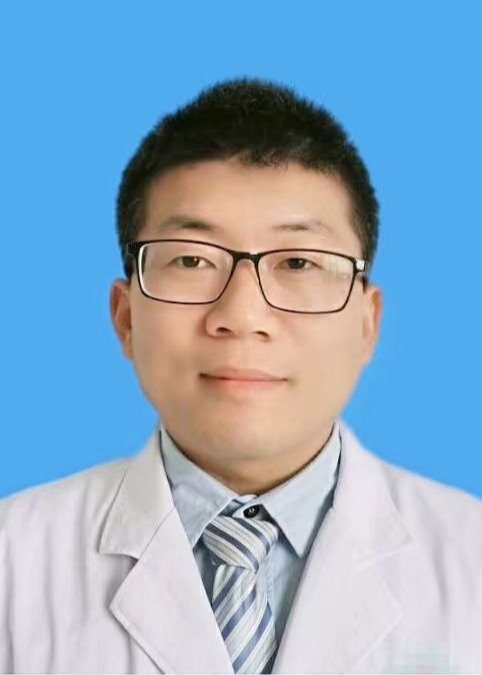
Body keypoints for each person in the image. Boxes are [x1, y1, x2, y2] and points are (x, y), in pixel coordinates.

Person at [1, 77, 481, 675]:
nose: (243, 315)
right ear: (125, 318)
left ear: (367, 323)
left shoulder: (471, 559)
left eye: (298, 262)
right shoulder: (12, 562)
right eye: (192, 259)